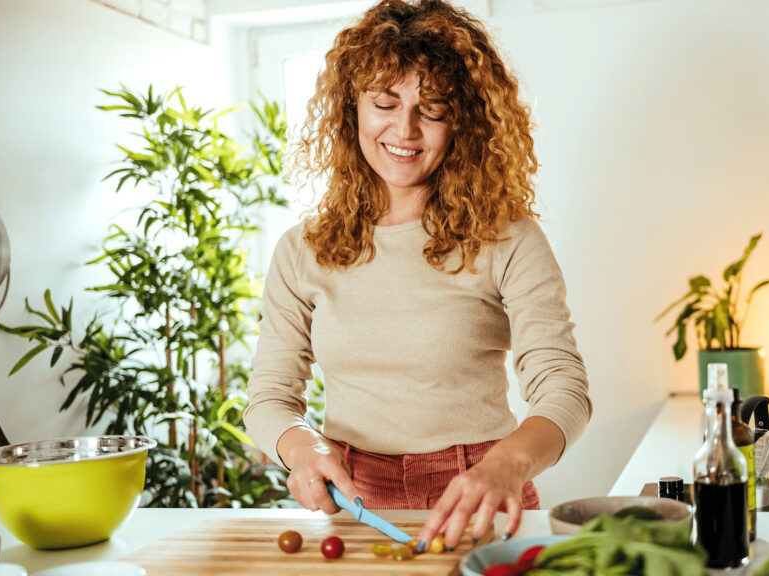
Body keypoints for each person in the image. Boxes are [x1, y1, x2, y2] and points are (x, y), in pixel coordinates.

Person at [243, 0, 591, 551]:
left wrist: (507, 465)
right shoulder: (301, 251)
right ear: (350, 108)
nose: (405, 129)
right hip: (354, 498)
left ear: (463, 120)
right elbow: (269, 396)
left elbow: (563, 388)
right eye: (385, 102)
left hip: (479, 488)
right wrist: (303, 448)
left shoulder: (509, 238)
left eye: (431, 109)